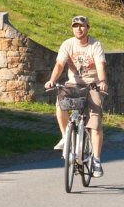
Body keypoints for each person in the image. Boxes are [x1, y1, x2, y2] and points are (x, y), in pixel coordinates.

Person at [44, 15, 108, 177]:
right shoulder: (68, 44)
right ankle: (66, 137)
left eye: (82, 26)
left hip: (92, 85)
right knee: (61, 102)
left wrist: (102, 81)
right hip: (73, 84)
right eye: (75, 26)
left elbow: (100, 64)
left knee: (95, 121)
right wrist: (52, 80)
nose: (78, 29)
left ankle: (96, 160)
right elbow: (60, 64)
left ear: (88, 28)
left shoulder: (95, 45)